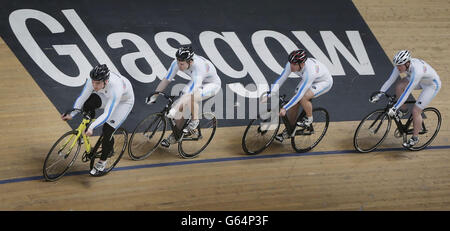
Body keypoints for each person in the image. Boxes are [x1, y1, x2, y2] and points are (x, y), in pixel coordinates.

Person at [61, 64, 135, 175]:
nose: (94, 86)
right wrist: (73, 114)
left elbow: (107, 114)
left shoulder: (116, 88)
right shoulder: (95, 81)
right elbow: (83, 97)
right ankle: (85, 134)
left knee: (107, 130)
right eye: (93, 82)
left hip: (123, 102)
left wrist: (92, 127)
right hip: (105, 95)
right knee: (88, 104)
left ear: (105, 81)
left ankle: (102, 162)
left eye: (98, 83)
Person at [146, 46, 221, 147]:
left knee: (191, 97)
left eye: (182, 64)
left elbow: (190, 93)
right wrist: (155, 95)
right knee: (180, 107)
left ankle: (194, 122)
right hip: (198, 82)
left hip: (212, 85)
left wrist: (174, 110)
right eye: (178, 62)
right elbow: (166, 80)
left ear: (190, 61)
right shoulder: (177, 62)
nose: (179, 65)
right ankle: (177, 133)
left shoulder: (199, 68)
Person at [370, 50, 441, 147]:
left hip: (431, 85)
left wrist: (395, 107)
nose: (397, 68)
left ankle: (415, 138)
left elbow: (407, 92)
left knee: (416, 111)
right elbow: (390, 81)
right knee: (399, 86)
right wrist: (379, 95)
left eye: (400, 66)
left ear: (407, 63)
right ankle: (403, 111)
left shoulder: (417, 71)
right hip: (419, 80)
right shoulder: (400, 65)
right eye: (396, 65)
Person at [261, 49, 333, 142]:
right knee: (294, 102)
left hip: (323, 82)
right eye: (291, 63)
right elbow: (281, 79)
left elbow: (300, 95)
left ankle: (309, 119)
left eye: (294, 65)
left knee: (302, 97)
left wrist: (285, 108)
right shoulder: (291, 64)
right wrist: (269, 94)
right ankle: (289, 129)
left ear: (302, 64)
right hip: (309, 80)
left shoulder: (309, 72)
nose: (291, 66)